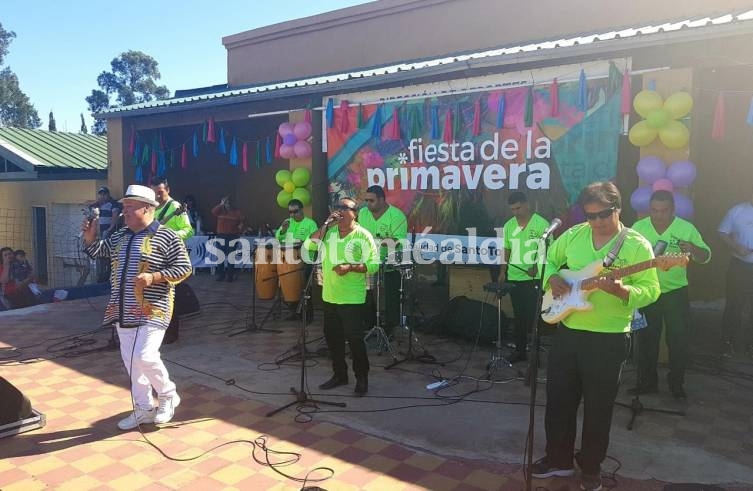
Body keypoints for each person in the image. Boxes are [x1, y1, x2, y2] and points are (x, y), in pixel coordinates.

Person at [532, 182, 660, 490]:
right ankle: (559, 459)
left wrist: (623, 290)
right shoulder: (573, 235)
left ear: (618, 209)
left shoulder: (636, 245)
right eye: (591, 215)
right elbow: (545, 259)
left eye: (604, 213)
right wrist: (552, 276)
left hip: (608, 337)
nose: (598, 221)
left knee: (598, 407)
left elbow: (652, 290)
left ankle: (590, 467)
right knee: (559, 400)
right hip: (569, 331)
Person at [82, 184, 192, 430]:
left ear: (148, 208)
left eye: (130, 208)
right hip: (123, 308)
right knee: (132, 363)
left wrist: (154, 277)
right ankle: (142, 408)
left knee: (145, 356)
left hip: (154, 308)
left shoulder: (167, 236)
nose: (125, 213)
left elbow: (184, 268)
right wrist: (90, 239)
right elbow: (100, 251)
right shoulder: (121, 236)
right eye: (124, 208)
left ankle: (167, 395)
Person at [632, 191, 710, 399]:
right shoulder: (639, 228)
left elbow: (706, 256)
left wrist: (693, 248)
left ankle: (676, 383)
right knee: (647, 339)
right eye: (654, 211)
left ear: (673, 209)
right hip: (647, 290)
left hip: (675, 292)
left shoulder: (686, 228)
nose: (659, 215)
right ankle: (647, 382)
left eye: (664, 211)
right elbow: (626, 256)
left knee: (678, 339)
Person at [305, 197, 379, 395]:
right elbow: (310, 245)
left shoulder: (363, 235)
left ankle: (361, 378)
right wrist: (325, 225)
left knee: (355, 340)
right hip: (330, 296)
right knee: (333, 339)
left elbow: (373, 264)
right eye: (337, 207)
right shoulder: (329, 233)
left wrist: (351, 267)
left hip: (352, 298)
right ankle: (340, 375)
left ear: (355, 213)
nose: (339, 211)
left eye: (344, 208)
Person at [497, 191, 550, 363]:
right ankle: (520, 351)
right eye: (512, 209)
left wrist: (536, 266)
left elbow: (548, 251)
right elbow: (506, 249)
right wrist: (502, 271)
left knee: (533, 316)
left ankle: (535, 353)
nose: (516, 212)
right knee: (519, 316)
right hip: (514, 277)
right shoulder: (508, 226)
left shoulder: (542, 224)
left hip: (534, 279)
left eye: (518, 208)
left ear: (527, 204)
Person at [151, 176, 195, 345]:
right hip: (155, 257)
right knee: (156, 296)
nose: (157, 196)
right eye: (154, 193)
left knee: (171, 296)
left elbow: (188, 231)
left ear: (168, 190)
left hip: (172, 258)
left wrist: (170, 237)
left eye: (160, 192)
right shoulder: (151, 208)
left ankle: (171, 333)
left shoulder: (175, 207)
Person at [357, 185, 408, 333]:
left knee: (391, 295)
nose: (368, 204)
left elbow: (399, 242)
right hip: (368, 259)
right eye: (366, 200)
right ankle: (371, 323)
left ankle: (391, 327)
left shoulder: (397, 215)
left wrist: (377, 242)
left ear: (382, 199)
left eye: (371, 200)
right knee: (365, 292)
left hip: (390, 260)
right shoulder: (363, 213)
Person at [718, 192, 753, 358]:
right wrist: (736, 246)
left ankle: (749, 344)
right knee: (734, 304)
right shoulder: (738, 210)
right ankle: (727, 342)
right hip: (739, 265)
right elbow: (722, 232)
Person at [276, 198, 318, 321]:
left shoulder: (310, 224)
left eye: (295, 211)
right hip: (289, 262)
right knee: (290, 287)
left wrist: (303, 242)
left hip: (305, 261)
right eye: (290, 212)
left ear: (302, 210)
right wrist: (283, 230)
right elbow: (278, 238)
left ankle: (308, 316)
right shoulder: (287, 223)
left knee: (305, 289)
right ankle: (294, 313)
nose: (293, 214)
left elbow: (315, 243)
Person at [211, 195, 245, 282]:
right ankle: (221, 275)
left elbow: (242, 221)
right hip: (221, 235)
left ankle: (230, 276)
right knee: (220, 257)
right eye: (226, 203)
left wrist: (239, 230)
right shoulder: (220, 211)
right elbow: (213, 211)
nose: (228, 204)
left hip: (232, 236)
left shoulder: (237, 212)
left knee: (231, 257)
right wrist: (221, 204)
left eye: (229, 202)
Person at [92, 187, 122, 282]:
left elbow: (115, 217)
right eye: (100, 194)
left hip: (108, 233)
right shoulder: (98, 205)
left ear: (108, 194)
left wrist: (109, 229)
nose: (102, 196)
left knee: (108, 255)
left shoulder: (113, 204)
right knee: (99, 254)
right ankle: (101, 276)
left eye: (104, 194)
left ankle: (107, 276)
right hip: (99, 233)